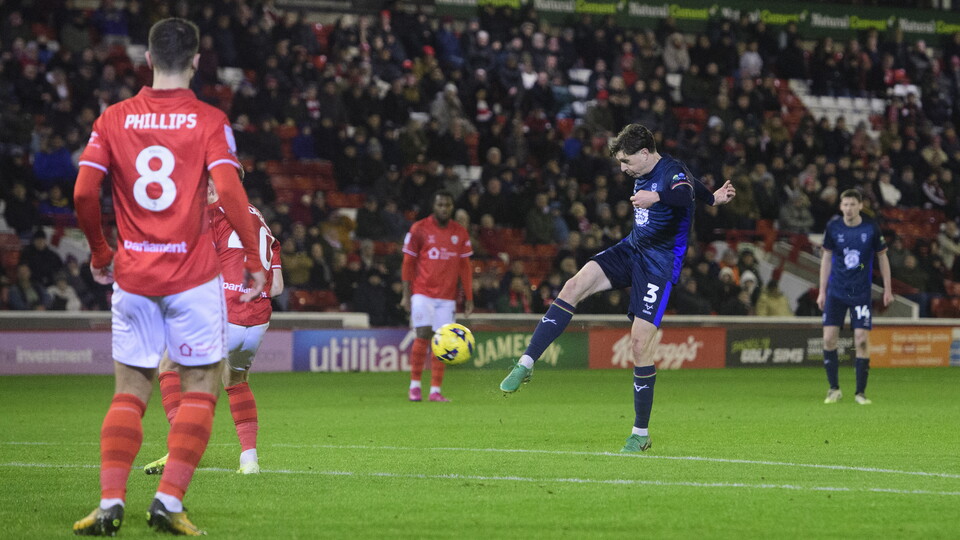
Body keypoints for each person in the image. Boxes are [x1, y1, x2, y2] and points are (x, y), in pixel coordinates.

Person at [71, 18, 266, 537]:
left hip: (133, 277)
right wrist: (253, 256)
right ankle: (168, 502)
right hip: (193, 279)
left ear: (149, 59)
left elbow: (84, 194)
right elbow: (229, 190)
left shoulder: (113, 118)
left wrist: (99, 251)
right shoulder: (209, 120)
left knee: (129, 392)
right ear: (198, 61)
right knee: (203, 386)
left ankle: (111, 503)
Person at [498, 123, 735, 452]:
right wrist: (714, 197)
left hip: (660, 265)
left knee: (640, 345)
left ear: (643, 153)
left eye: (626, 162)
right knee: (573, 284)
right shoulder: (653, 171)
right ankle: (525, 363)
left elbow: (683, 191)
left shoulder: (670, 173)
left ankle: (640, 434)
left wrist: (658, 196)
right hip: (632, 249)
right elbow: (695, 185)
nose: (623, 169)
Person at [143, 179, 284, 478]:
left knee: (168, 363)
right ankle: (249, 461)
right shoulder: (262, 223)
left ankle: (182, 448)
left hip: (227, 311)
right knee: (236, 381)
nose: (205, 189)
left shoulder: (213, 214)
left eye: (212, 183)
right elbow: (277, 287)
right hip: (258, 320)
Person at [817, 189, 892, 406]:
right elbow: (827, 259)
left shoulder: (870, 228)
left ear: (860, 206)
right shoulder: (833, 227)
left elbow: (882, 257)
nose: (848, 208)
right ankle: (834, 389)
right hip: (836, 292)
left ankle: (860, 393)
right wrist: (822, 290)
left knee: (860, 340)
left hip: (860, 293)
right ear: (841, 207)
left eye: (852, 204)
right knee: (829, 338)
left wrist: (887, 289)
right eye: (845, 205)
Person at [400, 190, 474, 402]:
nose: (444, 208)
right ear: (434, 206)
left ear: (452, 207)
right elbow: (408, 262)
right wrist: (406, 295)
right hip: (422, 293)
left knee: (442, 340)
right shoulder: (419, 229)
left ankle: (435, 391)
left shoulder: (459, 232)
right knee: (423, 334)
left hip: (447, 298)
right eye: (440, 204)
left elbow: (465, 268)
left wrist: (469, 297)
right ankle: (414, 386)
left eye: (447, 205)